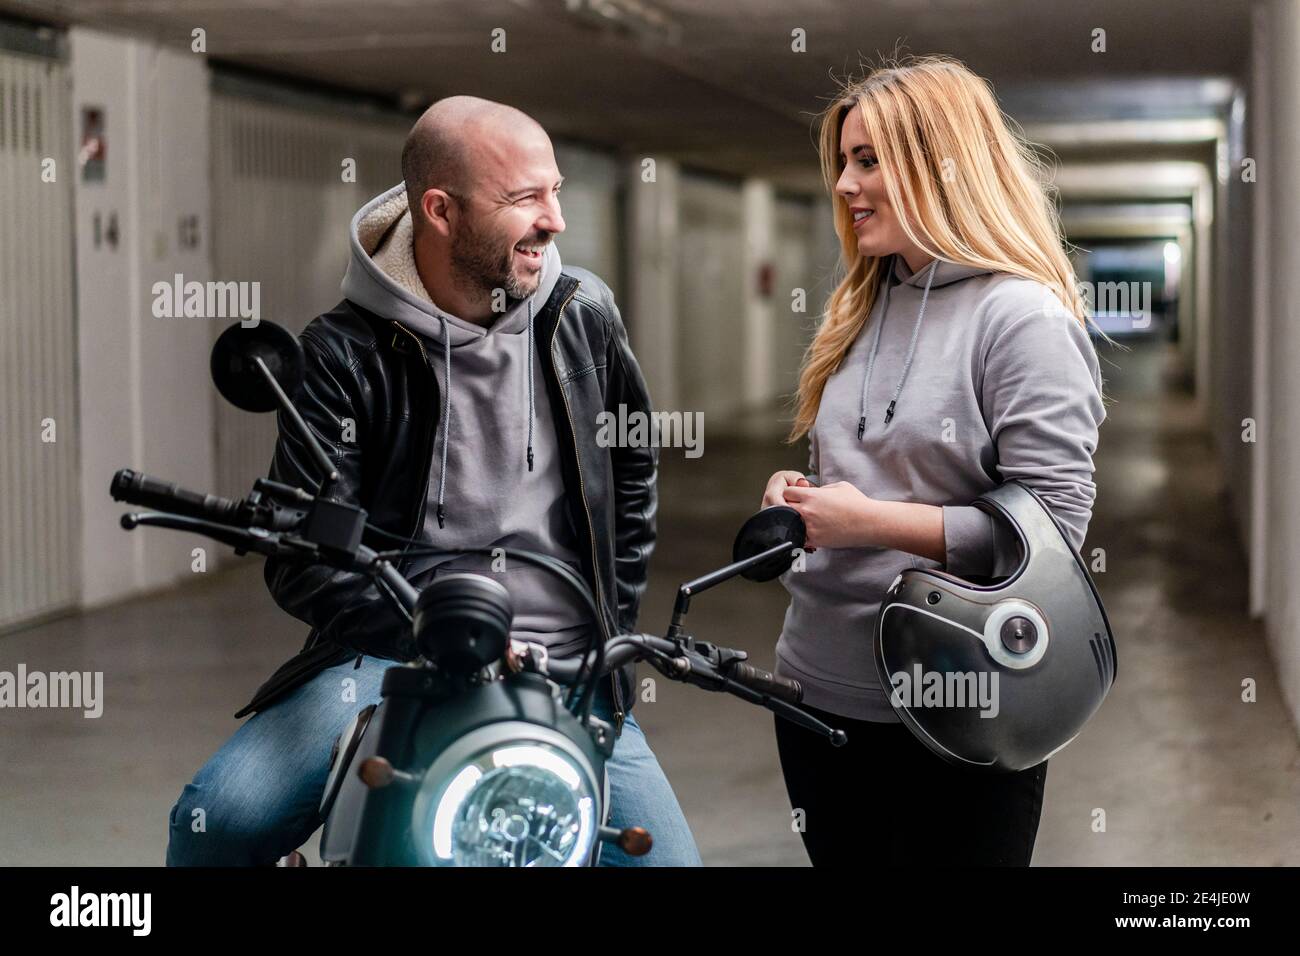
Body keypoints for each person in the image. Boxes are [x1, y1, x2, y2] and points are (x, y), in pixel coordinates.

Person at [167, 95, 701, 867]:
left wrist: (605, 630)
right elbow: (303, 560)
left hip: (565, 667)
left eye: (556, 191)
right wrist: (428, 630)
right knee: (219, 820)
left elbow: (631, 473)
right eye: (525, 198)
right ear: (441, 211)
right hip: (391, 658)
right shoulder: (344, 352)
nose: (554, 220)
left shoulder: (583, 312)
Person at [762, 56, 1107, 866]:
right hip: (818, 691)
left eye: (869, 160)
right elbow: (860, 464)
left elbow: (1053, 530)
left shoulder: (1020, 317)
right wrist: (801, 494)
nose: (845, 184)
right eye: (844, 160)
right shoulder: (861, 301)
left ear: (941, 165)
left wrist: (866, 524)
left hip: (962, 701)